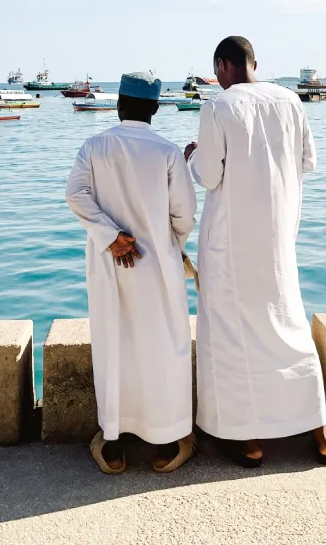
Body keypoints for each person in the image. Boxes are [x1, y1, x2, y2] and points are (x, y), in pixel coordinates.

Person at [185, 37, 326, 468]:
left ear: (222, 65)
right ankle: (321, 434)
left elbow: (208, 176)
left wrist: (193, 155)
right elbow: (308, 161)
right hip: (278, 238)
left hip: (230, 244)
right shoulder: (290, 101)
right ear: (254, 62)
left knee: (231, 337)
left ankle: (249, 441)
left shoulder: (218, 106)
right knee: (288, 328)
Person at [66, 71, 198, 475]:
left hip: (110, 267)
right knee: (163, 347)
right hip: (158, 267)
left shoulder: (94, 146)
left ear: (120, 104)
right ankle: (166, 445)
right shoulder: (168, 152)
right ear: (155, 108)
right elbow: (184, 216)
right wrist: (166, 244)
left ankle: (113, 448)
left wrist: (111, 237)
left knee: (114, 346)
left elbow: (76, 195)